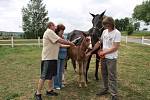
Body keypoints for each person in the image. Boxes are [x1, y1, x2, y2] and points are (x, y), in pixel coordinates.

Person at [34, 22, 75, 100]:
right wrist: (71, 43)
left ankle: (49, 90)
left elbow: (60, 44)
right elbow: (61, 40)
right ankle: (37, 93)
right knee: (43, 76)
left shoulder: (52, 34)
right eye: (54, 25)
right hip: (47, 58)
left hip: (53, 58)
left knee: (51, 76)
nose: (55, 27)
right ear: (50, 26)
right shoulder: (49, 32)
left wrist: (71, 45)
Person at [87, 16, 121, 100]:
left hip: (111, 58)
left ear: (111, 24)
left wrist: (103, 52)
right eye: (104, 25)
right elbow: (99, 42)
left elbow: (115, 47)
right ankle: (105, 88)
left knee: (112, 76)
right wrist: (91, 51)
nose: (104, 27)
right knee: (104, 74)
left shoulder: (117, 33)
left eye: (106, 25)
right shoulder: (105, 32)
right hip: (103, 57)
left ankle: (114, 94)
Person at [53, 24, 69, 89]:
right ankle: (56, 85)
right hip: (57, 55)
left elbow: (66, 42)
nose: (63, 32)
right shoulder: (56, 37)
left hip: (63, 55)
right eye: (61, 30)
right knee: (57, 70)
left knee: (61, 71)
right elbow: (59, 45)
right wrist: (69, 45)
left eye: (63, 30)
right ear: (58, 30)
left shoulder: (63, 37)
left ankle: (60, 83)